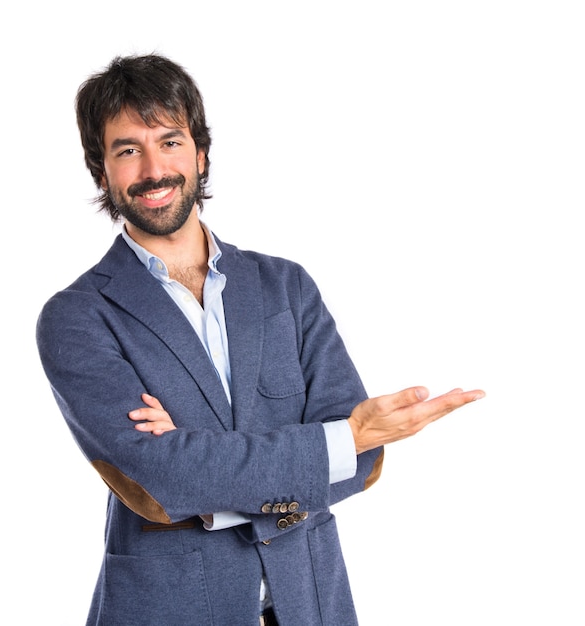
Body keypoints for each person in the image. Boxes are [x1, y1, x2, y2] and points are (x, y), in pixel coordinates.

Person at [36, 53, 485, 626]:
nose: (154, 168)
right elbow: (161, 482)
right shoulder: (77, 317)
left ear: (200, 153)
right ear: (102, 170)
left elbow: (363, 460)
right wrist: (332, 444)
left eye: (170, 142)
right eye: (128, 149)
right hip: (169, 609)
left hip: (311, 603)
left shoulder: (286, 288)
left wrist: (209, 478)